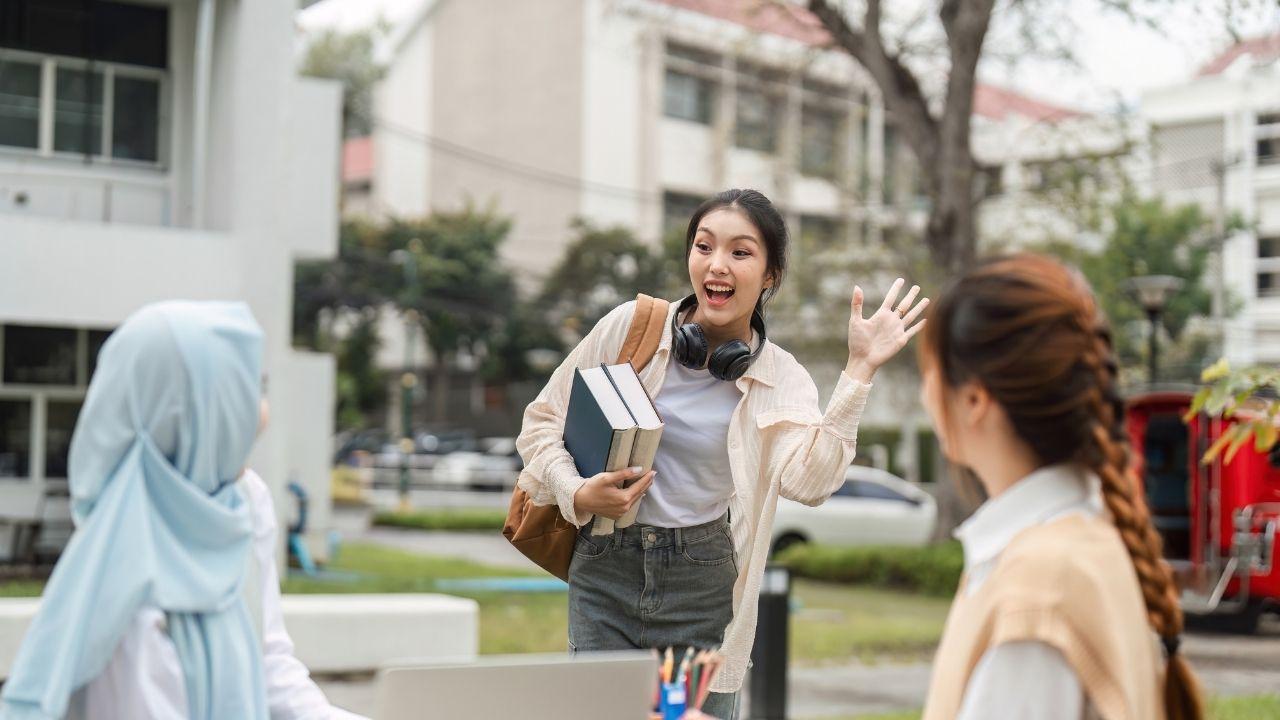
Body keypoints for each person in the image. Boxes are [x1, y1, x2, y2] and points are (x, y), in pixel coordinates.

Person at [515, 189, 927, 719]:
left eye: (741, 252)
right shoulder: (631, 327)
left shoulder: (781, 378)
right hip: (605, 567)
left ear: (771, 274)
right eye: (704, 246)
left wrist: (859, 370)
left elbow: (811, 483)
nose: (717, 265)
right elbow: (541, 422)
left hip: (702, 582)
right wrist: (577, 492)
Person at [0, 301, 366, 720]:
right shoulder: (129, 592)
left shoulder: (240, 503)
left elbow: (267, 664)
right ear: (192, 417)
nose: (261, 417)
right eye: (242, 391)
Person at [916, 254, 1203, 720]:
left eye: (929, 370)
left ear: (974, 399)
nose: (925, 392)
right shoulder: (1084, 540)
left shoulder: (1038, 587)